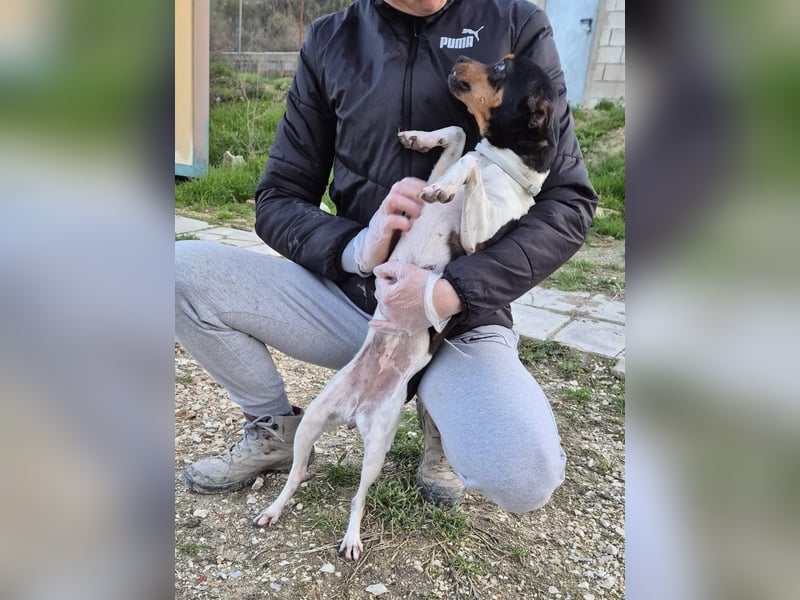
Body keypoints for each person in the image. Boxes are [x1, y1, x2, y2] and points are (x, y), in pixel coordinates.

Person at [175, 0, 596, 511]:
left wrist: (451, 292)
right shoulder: (332, 39)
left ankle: (440, 416)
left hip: (456, 321)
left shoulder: (515, 21)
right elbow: (278, 198)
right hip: (357, 297)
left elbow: (569, 202)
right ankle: (274, 426)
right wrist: (356, 246)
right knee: (176, 273)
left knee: (524, 475)